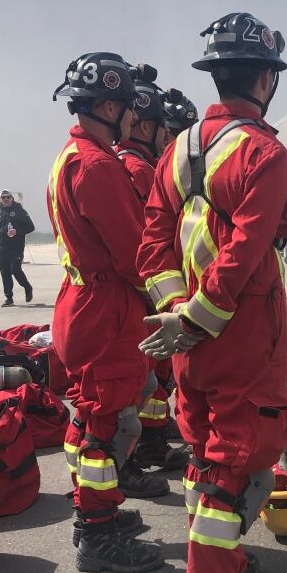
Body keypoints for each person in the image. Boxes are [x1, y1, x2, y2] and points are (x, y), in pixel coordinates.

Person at [137, 12, 287, 573]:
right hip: (238, 334)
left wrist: (179, 319)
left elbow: (151, 246)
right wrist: (203, 317)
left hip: (187, 340)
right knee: (232, 468)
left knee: (205, 456)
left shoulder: (177, 150)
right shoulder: (265, 153)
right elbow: (244, 256)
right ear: (265, 78)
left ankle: (216, 569)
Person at [47, 51, 165, 573]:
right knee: (105, 424)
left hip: (82, 302)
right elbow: (134, 253)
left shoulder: (70, 157)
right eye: (125, 107)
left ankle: (92, 514)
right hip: (106, 310)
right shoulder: (97, 166)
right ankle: (97, 535)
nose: (132, 119)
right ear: (110, 107)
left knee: (89, 418)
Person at [113, 65, 190, 484]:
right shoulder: (140, 169)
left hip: (136, 289)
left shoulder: (129, 163)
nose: (168, 139)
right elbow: (150, 237)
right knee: (142, 381)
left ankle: (152, 443)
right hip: (139, 290)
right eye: (165, 129)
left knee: (152, 380)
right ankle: (139, 453)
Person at [0, 190, 35, 306]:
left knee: (16, 270)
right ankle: (9, 298)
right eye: (3, 198)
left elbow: (31, 227)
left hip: (16, 247)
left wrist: (17, 231)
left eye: (8, 197)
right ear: (1, 200)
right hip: (2, 248)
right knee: (5, 273)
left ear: (12, 198)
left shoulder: (20, 211)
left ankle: (27, 287)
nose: (6, 199)